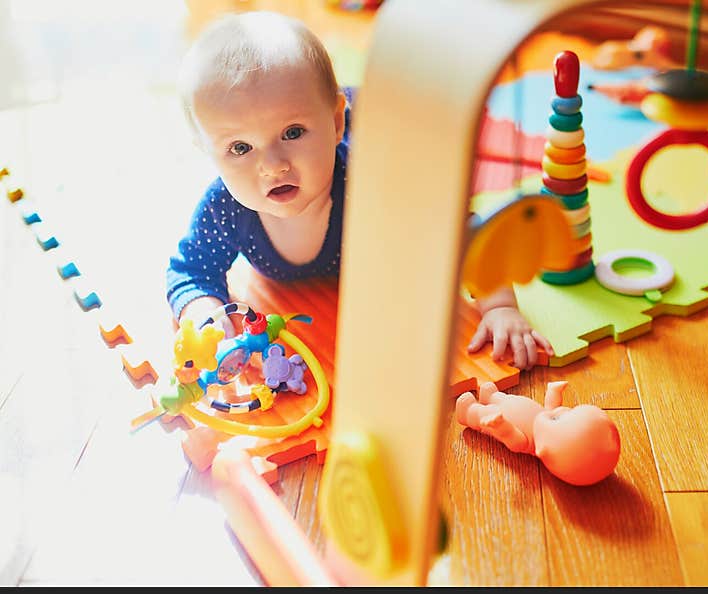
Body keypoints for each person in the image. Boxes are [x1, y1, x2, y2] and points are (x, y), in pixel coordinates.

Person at [166, 10, 553, 369]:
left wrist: (500, 306)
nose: (272, 166)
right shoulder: (224, 208)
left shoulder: (369, 187)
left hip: (381, 134)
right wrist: (205, 319)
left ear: (336, 123)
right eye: (240, 148)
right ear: (208, 154)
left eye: (292, 132)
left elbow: (457, 232)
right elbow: (190, 272)